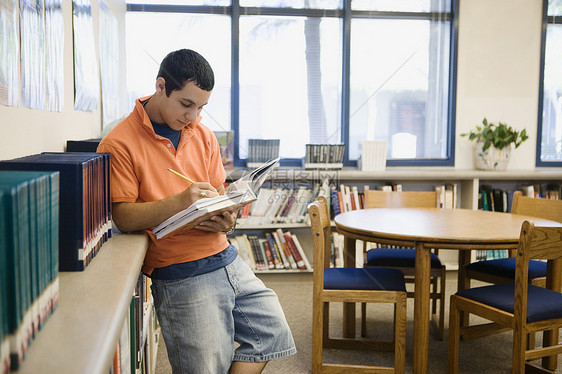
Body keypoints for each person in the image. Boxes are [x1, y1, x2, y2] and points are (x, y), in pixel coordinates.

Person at [97, 49, 296, 374]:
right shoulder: (118, 143)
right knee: (206, 367)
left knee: (271, 334)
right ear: (161, 86)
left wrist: (228, 216)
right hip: (179, 270)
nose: (193, 116)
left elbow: (216, 193)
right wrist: (180, 202)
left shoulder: (202, 134)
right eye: (186, 104)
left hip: (225, 256)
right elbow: (123, 217)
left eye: (201, 107)